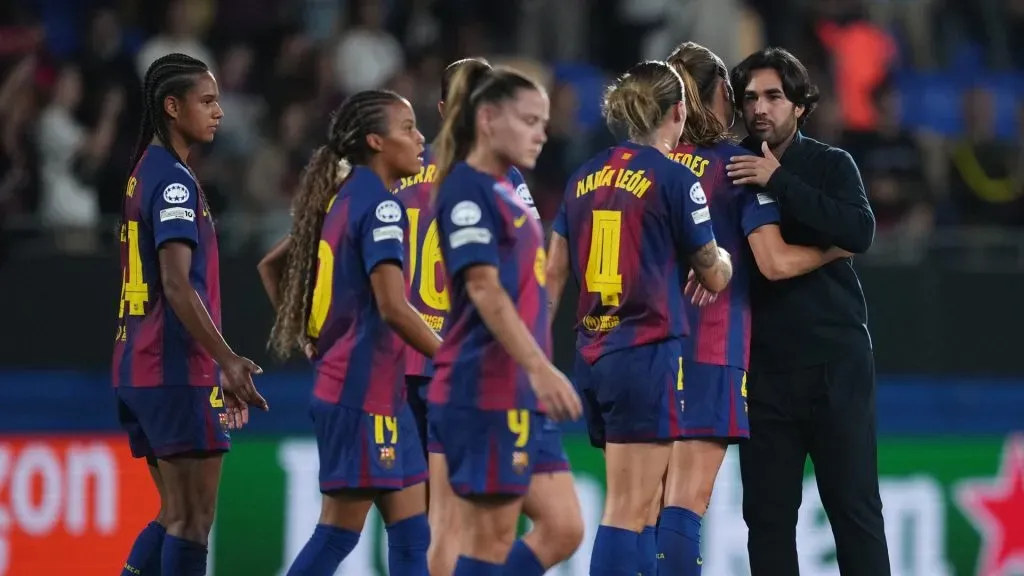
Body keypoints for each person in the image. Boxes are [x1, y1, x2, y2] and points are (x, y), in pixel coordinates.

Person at [631, 42, 854, 576]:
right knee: (685, 501)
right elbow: (773, 263)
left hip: (635, 348)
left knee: (637, 506)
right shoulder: (738, 168)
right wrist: (834, 247)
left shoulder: (631, 169)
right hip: (709, 347)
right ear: (719, 99)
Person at [393, 57, 582, 576]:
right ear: (487, 117)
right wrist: (541, 367)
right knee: (475, 537)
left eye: (543, 122)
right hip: (481, 383)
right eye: (528, 120)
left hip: (509, 381)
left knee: (563, 526)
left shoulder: (500, 186)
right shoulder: (467, 187)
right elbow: (482, 285)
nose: (541, 133)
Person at [545, 60, 734, 576]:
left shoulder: (584, 175)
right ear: (679, 111)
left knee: (638, 506)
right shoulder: (675, 179)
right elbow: (712, 274)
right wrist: (726, 261)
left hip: (594, 352)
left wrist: (537, 352)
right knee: (629, 512)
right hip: (646, 352)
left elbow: (554, 269)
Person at [725, 47, 890, 576]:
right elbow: (833, 243)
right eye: (749, 97)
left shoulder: (828, 164)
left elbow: (860, 231)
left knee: (854, 509)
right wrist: (824, 251)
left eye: (774, 96)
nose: (760, 108)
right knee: (768, 519)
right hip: (766, 369)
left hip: (834, 362)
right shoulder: (730, 173)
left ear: (800, 105)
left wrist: (778, 181)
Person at [265, 89, 441, 575]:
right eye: (407, 128)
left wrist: (307, 329)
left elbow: (270, 265)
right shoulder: (381, 207)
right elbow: (393, 306)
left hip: (382, 393)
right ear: (376, 142)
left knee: (411, 534)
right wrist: (453, 360)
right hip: (360, 394)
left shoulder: (342, 197)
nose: (421, 137)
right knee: (337, 534)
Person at [113, 53, 267, 576]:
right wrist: (226, 360)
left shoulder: (147, 173)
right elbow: (177, 285)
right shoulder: (174, 183)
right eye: (206, 101)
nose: (219, 112)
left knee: (176, 514)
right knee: (193, 521)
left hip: (143, 366)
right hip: (174, 368)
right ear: (171, 106)